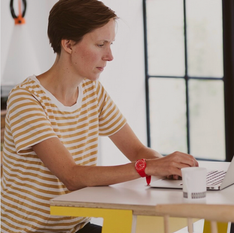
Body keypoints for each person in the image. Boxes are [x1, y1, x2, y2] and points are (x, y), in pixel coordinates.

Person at [1, 0, 198, 232]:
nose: (110, 55)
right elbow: (71, 175)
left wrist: (169, 167)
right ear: (68, 44)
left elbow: (137, 152)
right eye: (101, 44)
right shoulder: (26, 99)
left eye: (111, 44)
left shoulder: (92, 91)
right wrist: (151, 166)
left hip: (76, 226)